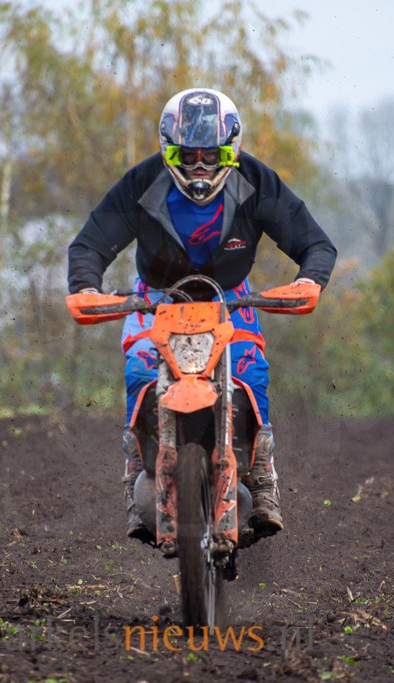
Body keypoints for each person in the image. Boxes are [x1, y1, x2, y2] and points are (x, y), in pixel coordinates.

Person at [67, 88, 338, 541]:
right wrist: (85, 287)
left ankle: (263, 475)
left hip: (229, 296)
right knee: (140, 373)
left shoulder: (256, 180)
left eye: (210, 156)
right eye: (186, 156)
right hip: (156, 296)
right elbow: (90, 244)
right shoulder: (142, 182)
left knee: (251, 373)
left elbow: (315, 243)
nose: (198, 167)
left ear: (229, 151)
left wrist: (309, 280)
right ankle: (135, 473)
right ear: (167, 151)